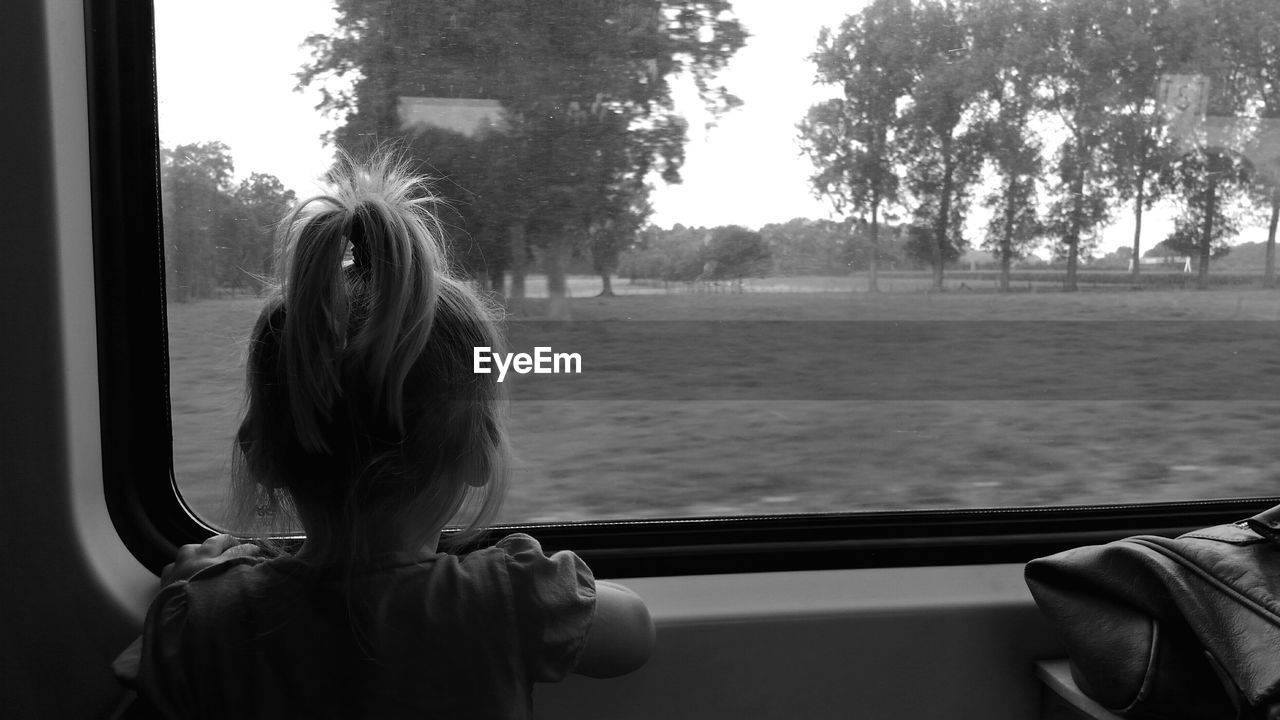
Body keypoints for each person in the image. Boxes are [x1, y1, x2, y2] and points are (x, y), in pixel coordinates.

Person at [112, 154, 654, 719]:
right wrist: (543, 579)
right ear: (479, 451)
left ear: (261, 453)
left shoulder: (205, 616)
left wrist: (192, 590)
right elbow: (634, 632)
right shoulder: (505, 598)